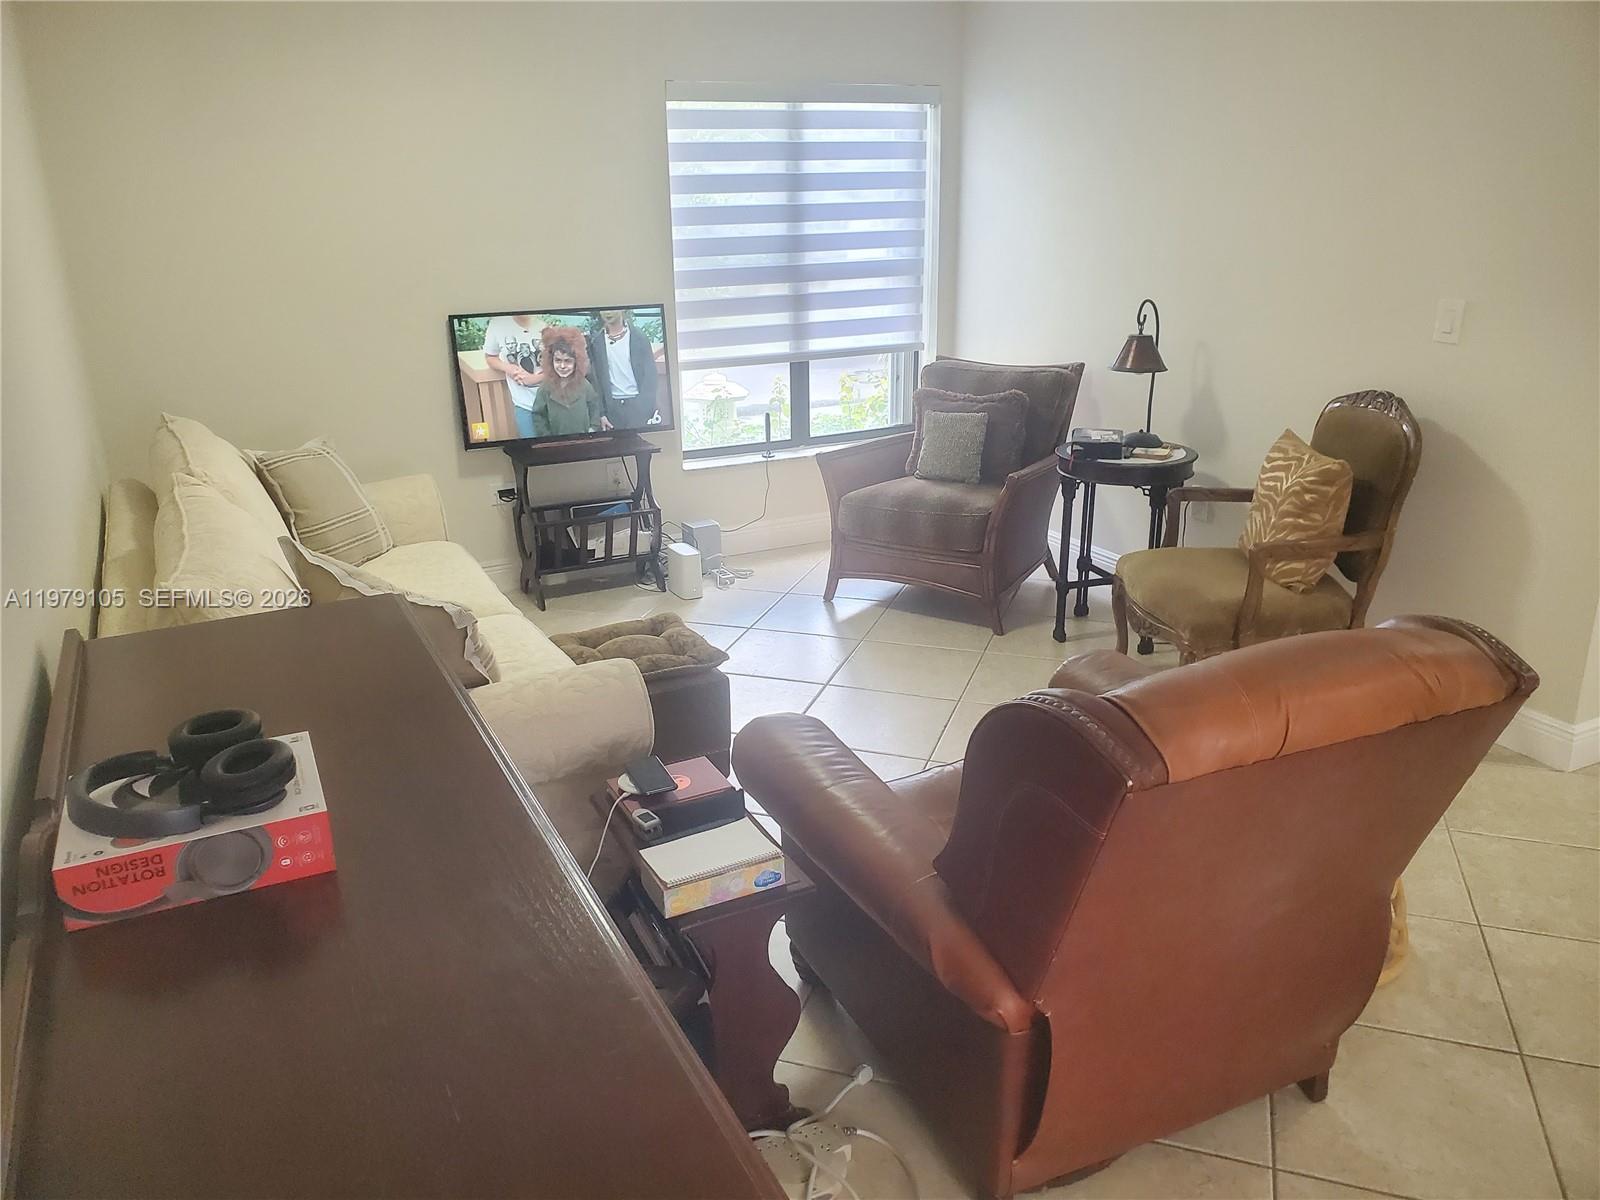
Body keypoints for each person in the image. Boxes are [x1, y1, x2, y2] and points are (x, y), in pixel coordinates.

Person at [587, 309, 660, 430]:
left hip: (637, 405)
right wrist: (602, 413)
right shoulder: (597, 342)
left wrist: (645, 407)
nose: (607, 312)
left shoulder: (639, 337)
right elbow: (596, 381)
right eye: (603, 309)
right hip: (612, 409)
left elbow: (650, 376)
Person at [481, 313, 547, 439]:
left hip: (551, 402)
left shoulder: (544, 327)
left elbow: (558, 366)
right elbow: (490, 357)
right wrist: (508, 368)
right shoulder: (497, 325)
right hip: (524, 405)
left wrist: (534, 379)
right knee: (531, 447)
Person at [531, 326, 603, 438]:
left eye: (568, 361)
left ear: (577, 362)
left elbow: (594, 408)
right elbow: (538, 416)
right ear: (551, 361)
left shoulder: (584, 385)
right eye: (558, 360)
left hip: (583, 440)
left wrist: (592, 428)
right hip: (556, 442)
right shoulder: (545, 388)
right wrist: (546, 437)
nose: (562, 366)